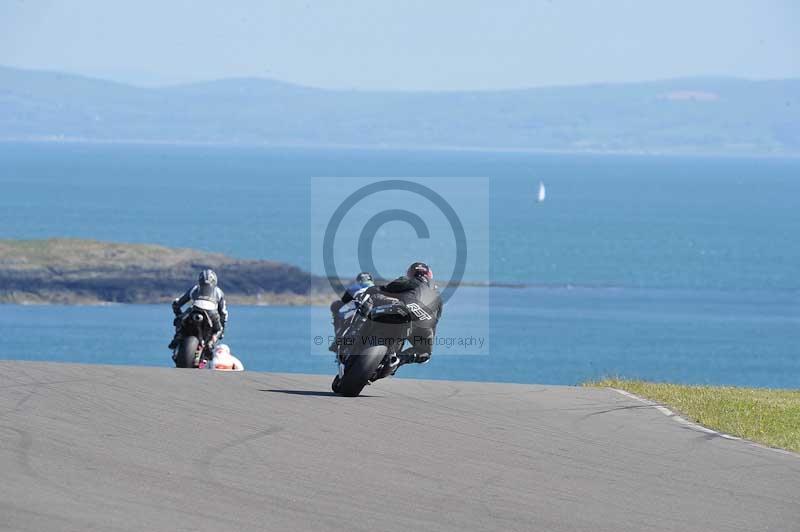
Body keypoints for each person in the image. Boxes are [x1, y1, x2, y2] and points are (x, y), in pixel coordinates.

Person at [378, 262, 442, 365]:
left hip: (403, 313)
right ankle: (398, 360)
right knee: (424, 353)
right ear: (429, 274)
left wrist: (377, 290)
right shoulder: (437, 293)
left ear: (411, 272)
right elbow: (436, 318)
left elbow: (389, 288)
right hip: (424, 324)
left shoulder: (410, 280)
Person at [168, 269, 228, 350]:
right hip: (212, 314)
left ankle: (178, 336)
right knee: (218, 330)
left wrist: (178, 313)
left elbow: (179, 303)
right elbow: (223, 313)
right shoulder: (219, 292)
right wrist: (221, 331)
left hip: (194, 310)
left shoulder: (195, 288)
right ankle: (211, 342)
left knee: (180, 321)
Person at [329, 272, 375, 350]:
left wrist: (335, 310)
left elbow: (343, 302)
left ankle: (337, 342)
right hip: (376, 313)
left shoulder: (354, 288)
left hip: (360, 312)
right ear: (371, 280)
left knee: (340, 317)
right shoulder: (379, 288)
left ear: (358, 281)